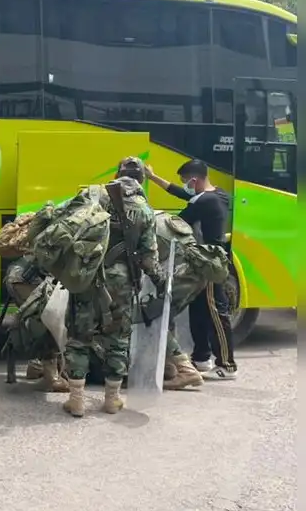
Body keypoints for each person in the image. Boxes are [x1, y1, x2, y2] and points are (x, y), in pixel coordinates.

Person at [62, 157, 165, 418]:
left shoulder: (93, 194)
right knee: (118, 338)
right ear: (141, 178)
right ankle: (112, 399)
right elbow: (149, 257)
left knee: (79, 334)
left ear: (118, 173)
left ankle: (76, 400)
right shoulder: (143, 209)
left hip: (87, 276)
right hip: (121, 282)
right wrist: (160, 281)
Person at [145, 159, 237, 379]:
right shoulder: (218, 194)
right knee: (198, 310)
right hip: (204, 262)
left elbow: (175, 222)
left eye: (186, 182)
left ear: (194, 180)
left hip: (209, 264)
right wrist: (153, 177)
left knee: (216, 312)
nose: (184, 186)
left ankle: (227, 365)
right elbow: (183, 194)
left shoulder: (206, 202)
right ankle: (201, 358)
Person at [3, 256, 69, 393]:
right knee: (47, 319)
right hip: (24, 279)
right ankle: (51, 378)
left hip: (21, 275)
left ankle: (36, 366)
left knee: (45, 317)